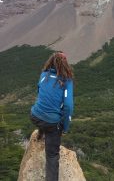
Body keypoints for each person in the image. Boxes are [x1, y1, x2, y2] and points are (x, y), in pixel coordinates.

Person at [30, 51, 74, 181]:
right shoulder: (67, 81)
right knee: (52, 156)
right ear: (65, 65)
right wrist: (65, 127)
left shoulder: (44, 75)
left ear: (51, 62)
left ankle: (40, 133)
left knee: (45, 114)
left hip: (34, 116)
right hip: (51, 124)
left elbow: (40, 93)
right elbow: (68, 107)